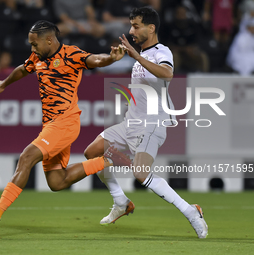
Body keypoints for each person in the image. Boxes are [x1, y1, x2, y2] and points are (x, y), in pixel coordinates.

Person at [0, 20, 131, 230]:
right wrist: (4, 84)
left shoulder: (71, 54)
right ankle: (107, 159)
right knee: (57, 182)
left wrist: (110, 59)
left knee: (26, 157)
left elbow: (94, 59)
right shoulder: (37, 57)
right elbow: (23, 69)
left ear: (49, 40)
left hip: (65, 123)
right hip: (51, 125)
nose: (32, 49)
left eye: (35, 44)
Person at [84, 7, 208, 238]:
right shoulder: (138, 57)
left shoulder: (162, 51)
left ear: (151, 28)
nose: (131, 31)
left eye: (136, 26)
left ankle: (191, 211)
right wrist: (116, 57)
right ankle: (120, 201)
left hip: (152, 123)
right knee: (92, 153)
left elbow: (167, 74)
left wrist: (137, 56)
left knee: (141, 174)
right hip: (130, 123)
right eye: (131, 26)